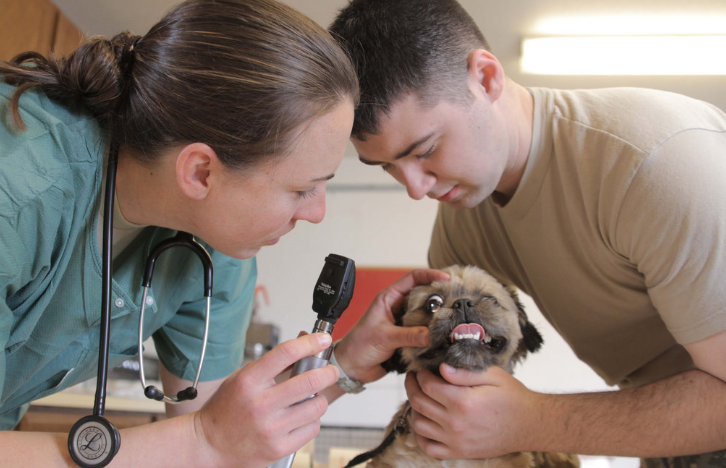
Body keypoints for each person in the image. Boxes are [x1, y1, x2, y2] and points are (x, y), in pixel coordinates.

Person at [0, 0, 448, 466]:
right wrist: (204, 441)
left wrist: (345, 363)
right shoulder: (16, 188)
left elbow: (229, 435)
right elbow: (207, 440)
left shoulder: (214, 248)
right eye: (302, 189)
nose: (317, 213)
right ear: (200, 172)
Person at [329, 0, 726, 467]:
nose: (415, 188)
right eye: (389, 166)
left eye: (426, 149)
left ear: (487, 78)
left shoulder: (657, 166)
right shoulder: (465, 215)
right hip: (671, 433)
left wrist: (533, 421)